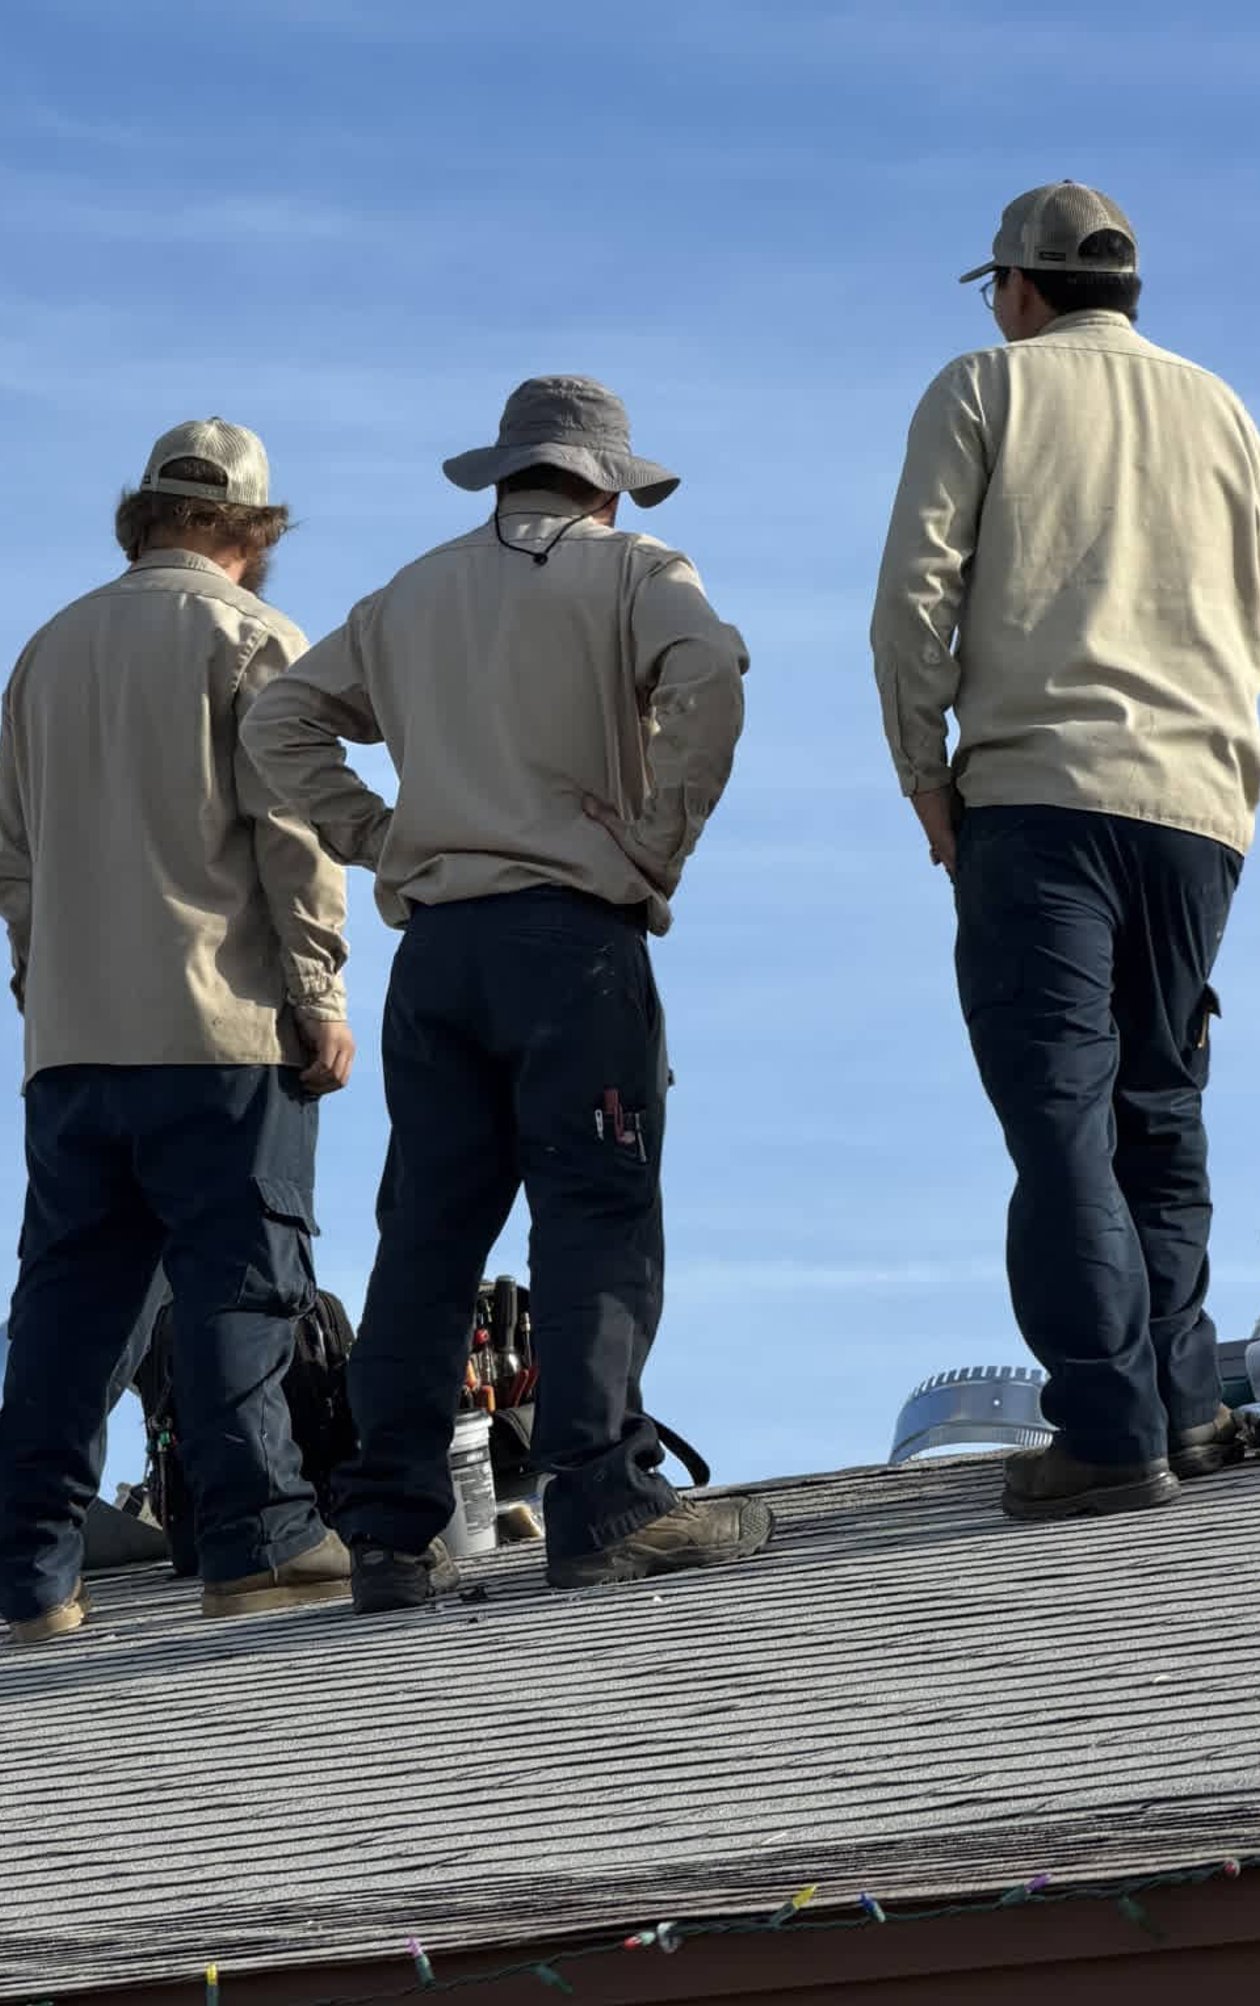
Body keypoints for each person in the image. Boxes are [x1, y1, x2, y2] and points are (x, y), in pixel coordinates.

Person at [242, 374, 774, 1611]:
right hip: (570, 941)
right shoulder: (638, 570)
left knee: (425, 1235)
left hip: (436, 950)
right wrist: (657, 839)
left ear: (504, 474)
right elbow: (714, 675)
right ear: (606, 481)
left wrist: (382, 835)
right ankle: (605, 1498)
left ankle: (387, 1530)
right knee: (594, 1214)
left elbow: (278, 724)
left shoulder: (411, 594)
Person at [871, 182, 1260, 1522]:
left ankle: (1105, 1430)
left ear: (1021, 290)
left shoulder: (985, 386)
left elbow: (916, 595)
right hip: (1198, 810)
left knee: (1062, 1119)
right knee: (1162, 1100)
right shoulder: (1223, 409)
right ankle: (1192, 1406)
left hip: (1040, 798)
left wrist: (927, 778)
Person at [0, 418, 355, 1642]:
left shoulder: (45, 652)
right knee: (240, 1286)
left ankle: (32, 1577)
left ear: (141, 518)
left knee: (65, 1308)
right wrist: (320, 990)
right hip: (220, 1025)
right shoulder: (254, 639)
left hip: (74, 1039)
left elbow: (15, 857)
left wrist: (40, 978)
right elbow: (291, 830)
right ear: (248, 534)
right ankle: (260, 1541)